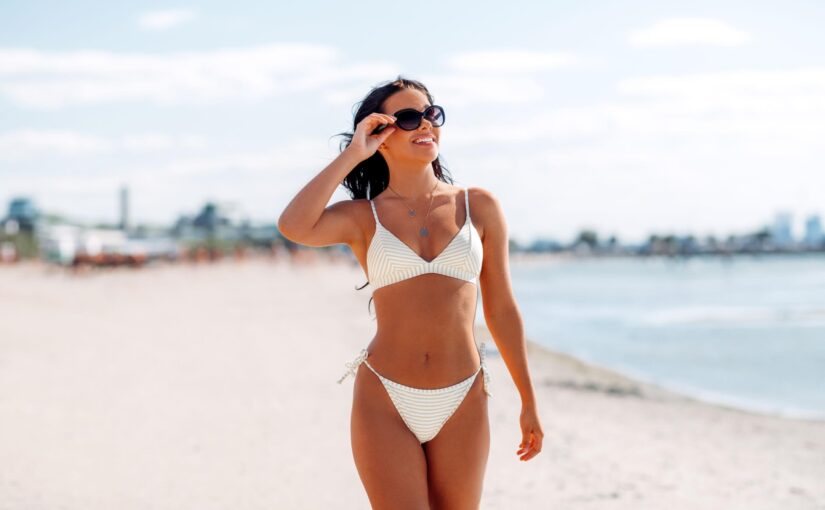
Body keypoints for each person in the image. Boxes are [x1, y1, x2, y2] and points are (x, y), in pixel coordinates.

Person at [278, 76, 543, 509]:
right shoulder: (363, 217)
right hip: (385, 398)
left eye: (432, 113)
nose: (426, 124)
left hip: (463, 396)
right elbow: (294, 225)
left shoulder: (478, 206)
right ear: (380, 134)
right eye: (408, 117)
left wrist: (528, 401)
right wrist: (353, 154)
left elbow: (502, 309)